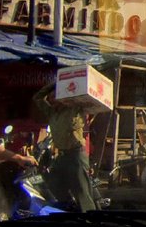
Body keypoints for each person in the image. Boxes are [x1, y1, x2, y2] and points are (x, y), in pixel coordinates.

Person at [33, 83, 96, 212]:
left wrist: (66, 87)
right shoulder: (52, 112)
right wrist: (53, 85)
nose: (51, 100)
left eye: (54, 97)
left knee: (82, 192)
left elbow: (83, 97)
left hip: (76, 155)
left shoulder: (74, 109)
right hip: (62, 156)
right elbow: (37, 98)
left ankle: (90, 219)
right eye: (49, 98)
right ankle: (70, 209)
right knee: (52, 182)